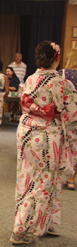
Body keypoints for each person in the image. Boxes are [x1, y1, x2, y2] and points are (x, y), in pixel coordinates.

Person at [10, 41, 77, 245]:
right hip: (48, 137)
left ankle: (47, 221)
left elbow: (25, 103)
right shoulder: (62, 83)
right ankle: (21, 229)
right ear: (57, 58)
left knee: (28, 177)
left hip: (26, 132)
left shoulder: (30, 79)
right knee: (42, 182)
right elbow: (73, 115)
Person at [58, 48, 77, 191]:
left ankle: (56, 176)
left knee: (59, 144)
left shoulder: (61, 74)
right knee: (75, 147)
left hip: (63, 115)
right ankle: (71, 180)